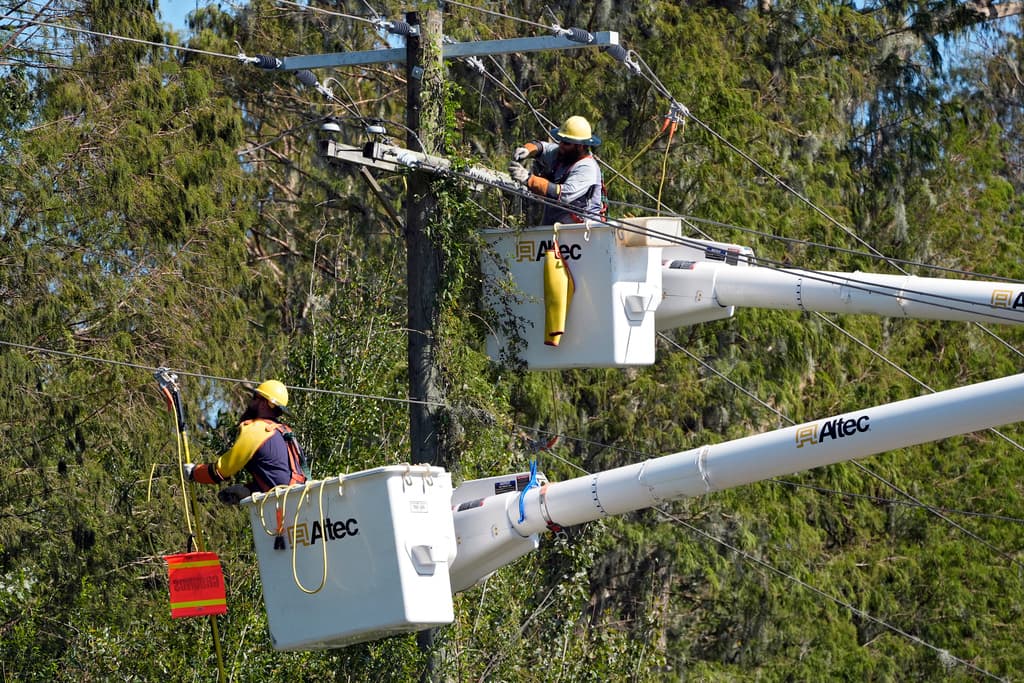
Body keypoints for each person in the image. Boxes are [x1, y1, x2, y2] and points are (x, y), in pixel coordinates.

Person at [184, 379, 307, 504]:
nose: (251, 402)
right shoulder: (285, 432)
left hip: (284, 507)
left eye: (255, 397)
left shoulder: (257, 430)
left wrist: (195, 472)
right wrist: (249, 491)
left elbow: (224, 469)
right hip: (299, 501)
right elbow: (278, 475)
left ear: (266, 403)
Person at [507, 115, 605, 225]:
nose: (561, 145)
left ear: (580, 146)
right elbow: (542, 147)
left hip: (582, 231)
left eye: (567, 143)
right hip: (554, 227)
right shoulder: (563, 154)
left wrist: (529, 179)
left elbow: (563, 195)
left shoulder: (587, 168)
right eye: (561, 140)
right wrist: (527, 149)